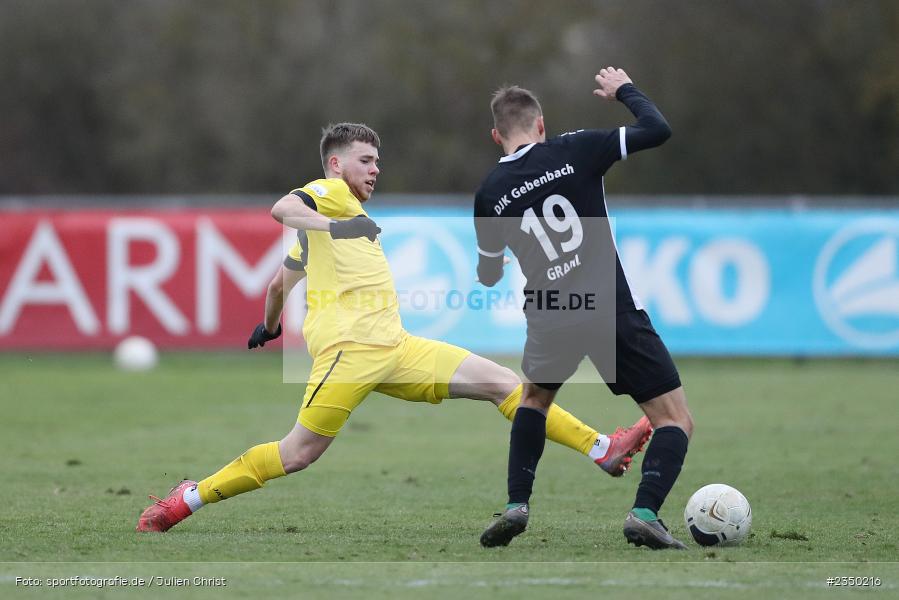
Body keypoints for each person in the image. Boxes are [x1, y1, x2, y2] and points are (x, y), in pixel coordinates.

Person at [136, 122, 652, 534]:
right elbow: (283, 208)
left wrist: (268, 327)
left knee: (504, 384)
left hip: (395, 347)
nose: (375, 169)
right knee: (298, 453)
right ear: (337, 164)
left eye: (377, 161)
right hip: (350, 352)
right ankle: (189, 498)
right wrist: (337, 223)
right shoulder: (332, 196)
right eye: (366, 160)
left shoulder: (332, 224)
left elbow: (277, 286)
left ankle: (600, 448)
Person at [474, 69, 694, 550]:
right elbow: (658, 129)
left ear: (496, 135)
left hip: (550, 314)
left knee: (533, 402)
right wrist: (624, 92)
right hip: (609, 307)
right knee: (674, 419)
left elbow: (488, 275)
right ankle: (644, 513)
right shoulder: (576, 148)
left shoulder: (489, 193)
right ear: (541, 125)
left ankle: (517, 505)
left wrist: (505, 255)